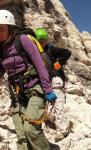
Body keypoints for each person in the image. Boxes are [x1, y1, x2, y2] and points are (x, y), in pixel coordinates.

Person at [0, 9, 57, 150]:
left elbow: (40, 65)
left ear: (10, 28)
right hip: (17, 92)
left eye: (1, 28)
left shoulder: (23, 40)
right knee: (21, 134)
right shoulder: (0, 49)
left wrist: (48, 90)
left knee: (31, 129)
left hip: (35, 87)